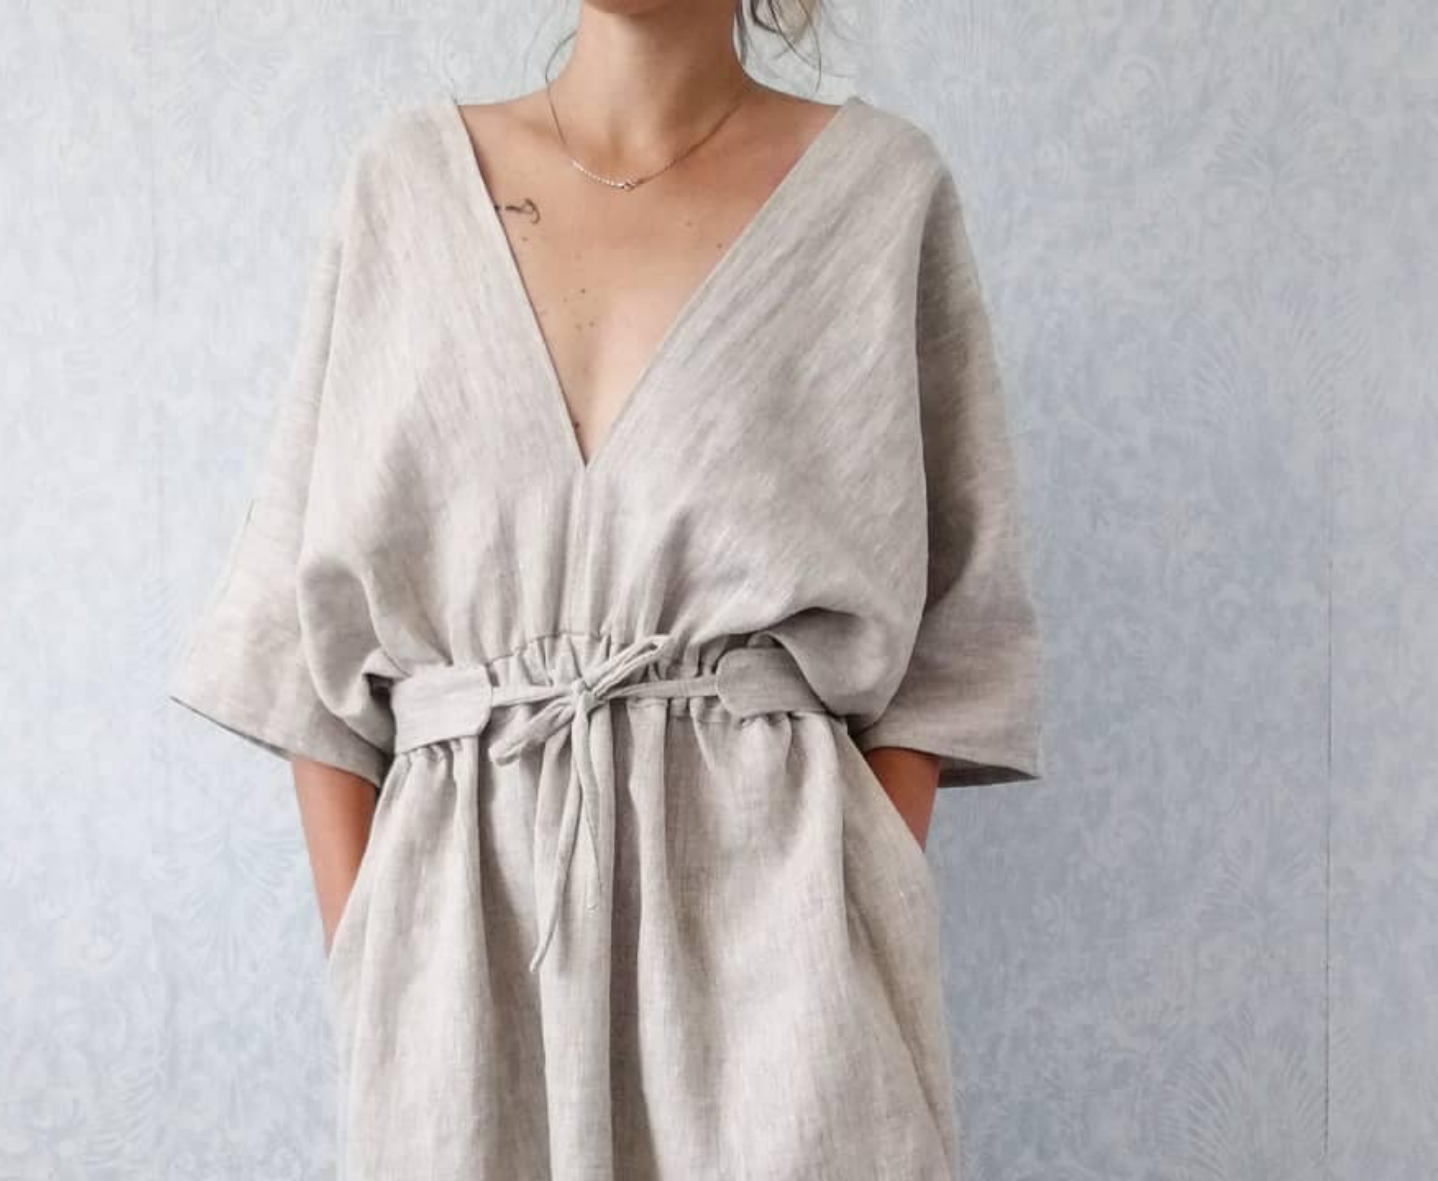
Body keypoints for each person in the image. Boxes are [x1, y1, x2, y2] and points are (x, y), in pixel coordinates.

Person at [168, 2, 1045, 1177]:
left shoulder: (880, 195)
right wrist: (373, 956)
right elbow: (300, 643)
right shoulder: (405, 190)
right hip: (456, 975)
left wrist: (845, 915)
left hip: (779, 973)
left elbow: (954, 638)